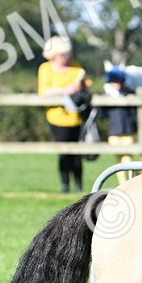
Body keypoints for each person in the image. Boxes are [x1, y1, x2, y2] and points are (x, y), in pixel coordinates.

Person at [38, 35, 90, 193]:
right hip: (57, 118)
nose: (66, 57)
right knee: (64, 154)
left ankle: (79, 186)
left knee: (77, 155)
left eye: (67, 54)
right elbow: (44, 92)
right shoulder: (45, 68)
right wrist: (67, 90)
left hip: (77, 118)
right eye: (63, 54)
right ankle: (65, 185)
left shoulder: (76, 67)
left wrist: (81, 86)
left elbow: (87, 86)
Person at [103, 67, 138, 184]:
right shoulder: (106, 96)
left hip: (127, 131)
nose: (117, 85)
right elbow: (101, 115)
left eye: (118, 82)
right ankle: (123, 184)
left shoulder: (128, 93)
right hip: (113, 132)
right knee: (118, 161)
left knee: (128, 159)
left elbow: (134, 112)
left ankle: (131, 181)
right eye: (114, 82)